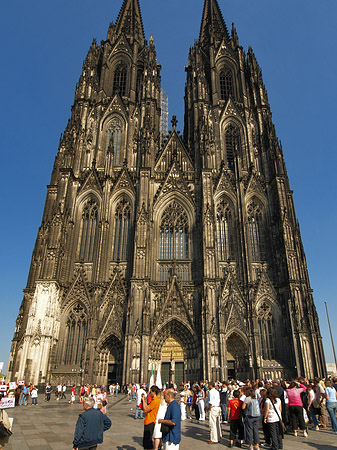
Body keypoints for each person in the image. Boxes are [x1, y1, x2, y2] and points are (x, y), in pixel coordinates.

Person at [141, 385, 161, 450]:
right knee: (146, 443)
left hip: (150, 422)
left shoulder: (155, 401)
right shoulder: (153, 400)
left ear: (154, 392)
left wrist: (143, 400)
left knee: (148, 443)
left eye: (150, 392)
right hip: (148, 421)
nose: (149, 393)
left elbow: (146, 410)